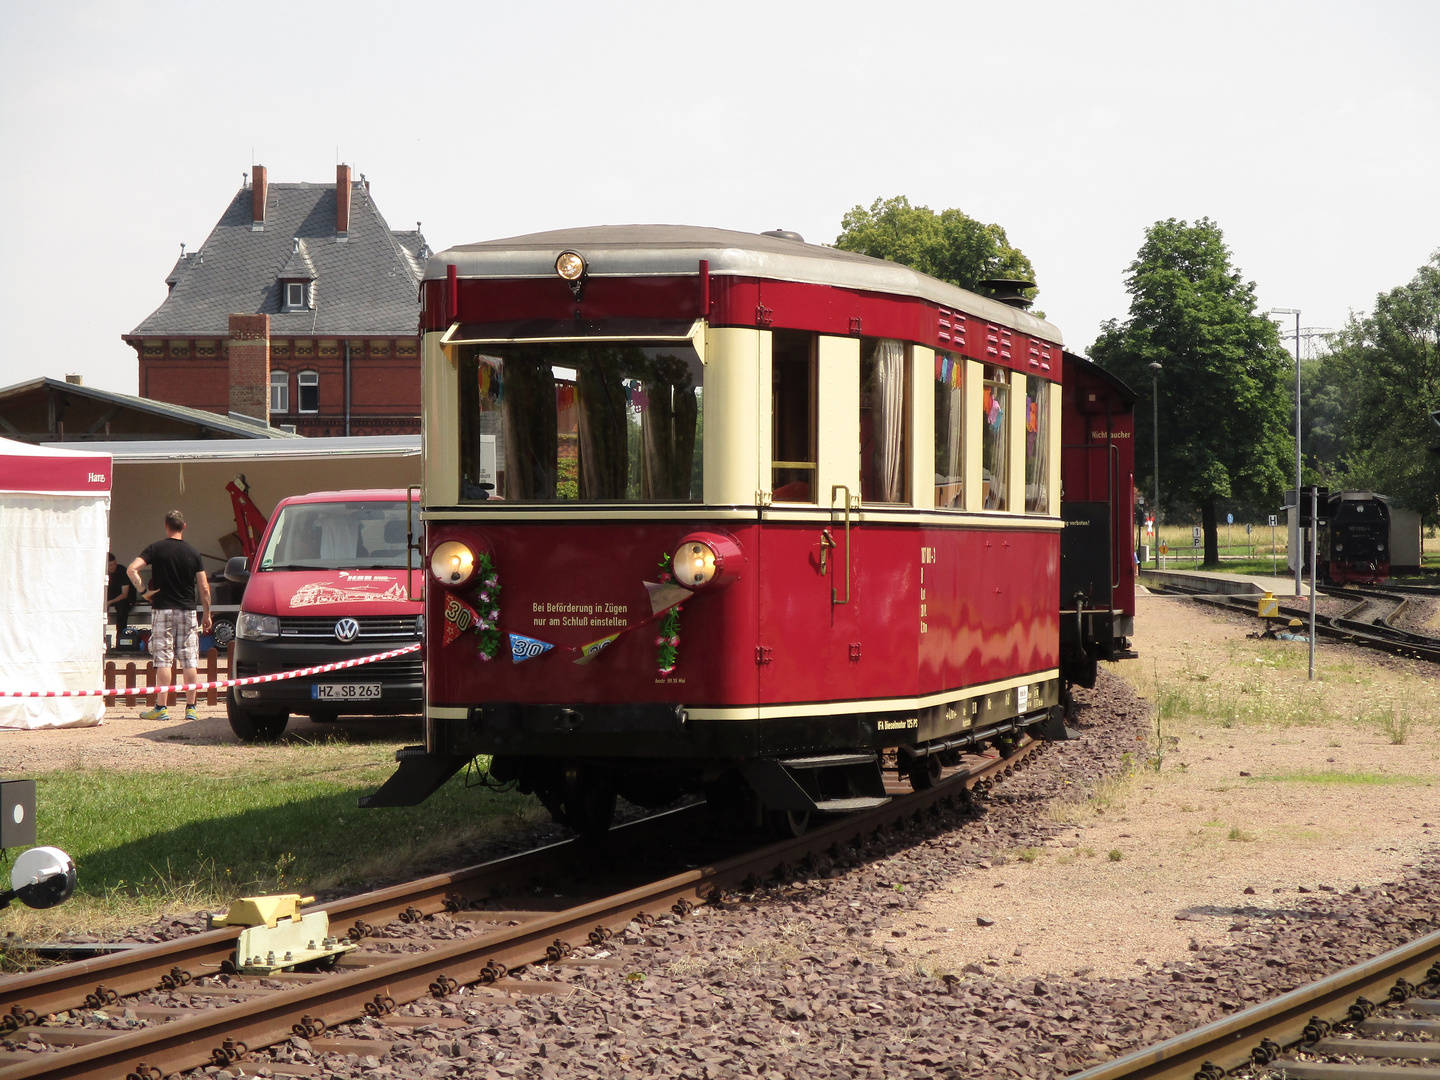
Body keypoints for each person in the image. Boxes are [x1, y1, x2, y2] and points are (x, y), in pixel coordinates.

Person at [128, 510, 212, 722]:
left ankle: (161, 707)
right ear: (184, 527)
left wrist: (144, 592)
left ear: (166, 526)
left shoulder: (155, 548)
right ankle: (191, 708)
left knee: (164, 659)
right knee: (189, 660)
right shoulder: (193, 552)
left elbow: (131, 570)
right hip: (187, 610)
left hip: (162, 609)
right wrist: (207, 613)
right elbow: (204, 587)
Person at [105, 552, 134, 648]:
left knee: (122, 609)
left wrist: (109, 602)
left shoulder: (122, 571)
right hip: (110, 597)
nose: (113, 567)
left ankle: (120, 640)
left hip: (125, 599)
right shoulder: (101, 573)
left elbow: (124, 594)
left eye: (115, 564)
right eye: (110, 565)